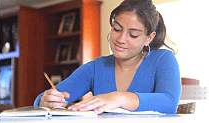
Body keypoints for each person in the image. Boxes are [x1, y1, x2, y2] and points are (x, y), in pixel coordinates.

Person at [34, 0, 181, 114]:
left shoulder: (163, 59)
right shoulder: (96, 68)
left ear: (149, 38)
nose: (121, 39)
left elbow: (169, 102)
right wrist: (45, 101)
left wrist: (118, 98)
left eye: (133, 35)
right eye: (117, 29)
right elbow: (55, 95)